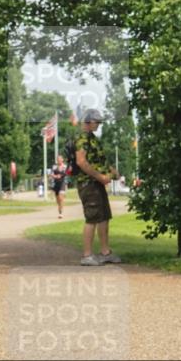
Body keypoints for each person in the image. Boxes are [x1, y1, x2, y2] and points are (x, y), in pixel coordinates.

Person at [74, 108, 121, 266]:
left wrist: (111, 172)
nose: (99, 124)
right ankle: (87, 255)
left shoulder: (92, 138)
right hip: (88, 183)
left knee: (104, 216)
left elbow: (100, 161)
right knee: (92, 218)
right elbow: (81, 162)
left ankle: (105, 252)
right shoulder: (82, 138)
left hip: (97, 183)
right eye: (97, 121)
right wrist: (100, 176)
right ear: (87, 121)